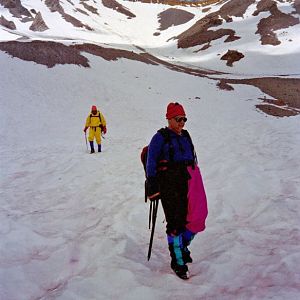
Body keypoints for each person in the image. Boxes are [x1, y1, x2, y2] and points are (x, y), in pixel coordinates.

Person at [146, 102, 208, 280]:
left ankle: (182, 245)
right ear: (169, 118)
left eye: (184, 119)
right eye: (178, 119)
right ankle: (177, 260)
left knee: (197, 216)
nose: (182, 122)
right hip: (169, 185)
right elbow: (151, 162)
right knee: (175, 223)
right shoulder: (160, 137)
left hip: (188, 182)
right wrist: (153, 184)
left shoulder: (185, 135)